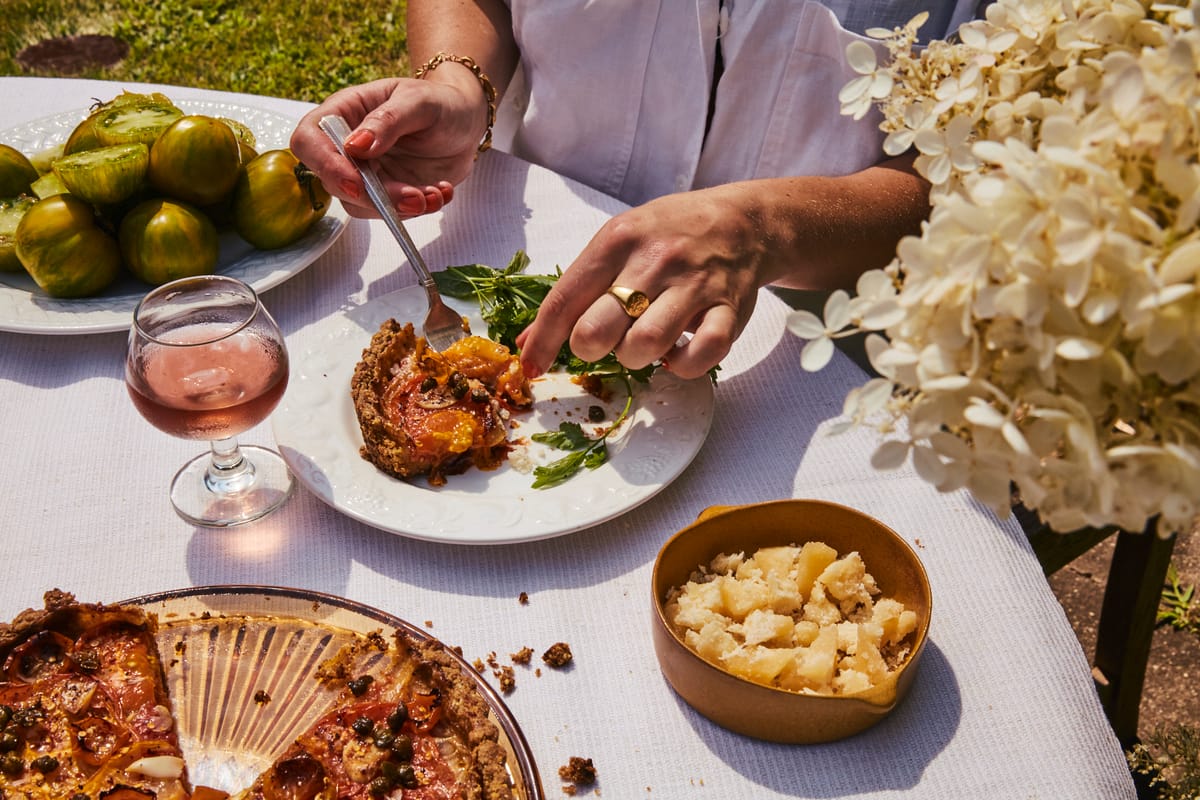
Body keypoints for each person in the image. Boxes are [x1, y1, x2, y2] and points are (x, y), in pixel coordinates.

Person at [290, 0, 987, 380]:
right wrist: (458, 83)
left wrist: (767, 230)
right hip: (530, 247)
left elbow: (985, 182)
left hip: (827, 349)